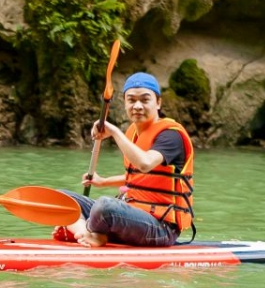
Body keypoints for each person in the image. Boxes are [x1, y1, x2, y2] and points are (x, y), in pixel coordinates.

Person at [54, 71, 195, 248]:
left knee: (105, 206)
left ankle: (87, 231)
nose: (137, 106)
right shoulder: (133, 133)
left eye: (145, 100)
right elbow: (137, 178)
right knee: (60, 197)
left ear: (158, 102)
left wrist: (114, 131)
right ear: (125, 103)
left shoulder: (171, 136)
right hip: (131, 215)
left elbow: (145, 164)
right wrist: (103, 181)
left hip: (161, 227)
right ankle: (85, 232)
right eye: (131, 100)